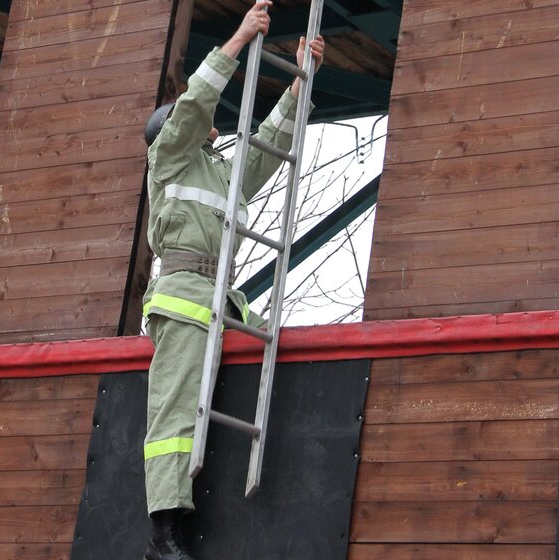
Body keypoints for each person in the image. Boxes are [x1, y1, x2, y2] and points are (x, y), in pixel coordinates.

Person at [140, 2, 325, 558]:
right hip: (183, 300)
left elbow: (270, 145)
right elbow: (196, 101)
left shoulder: (222, 173)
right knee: (174, 413)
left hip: (225, 304)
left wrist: (300, 82)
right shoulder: (170, 157)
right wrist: (241, 37)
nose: (210, 122)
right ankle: (164, 534)